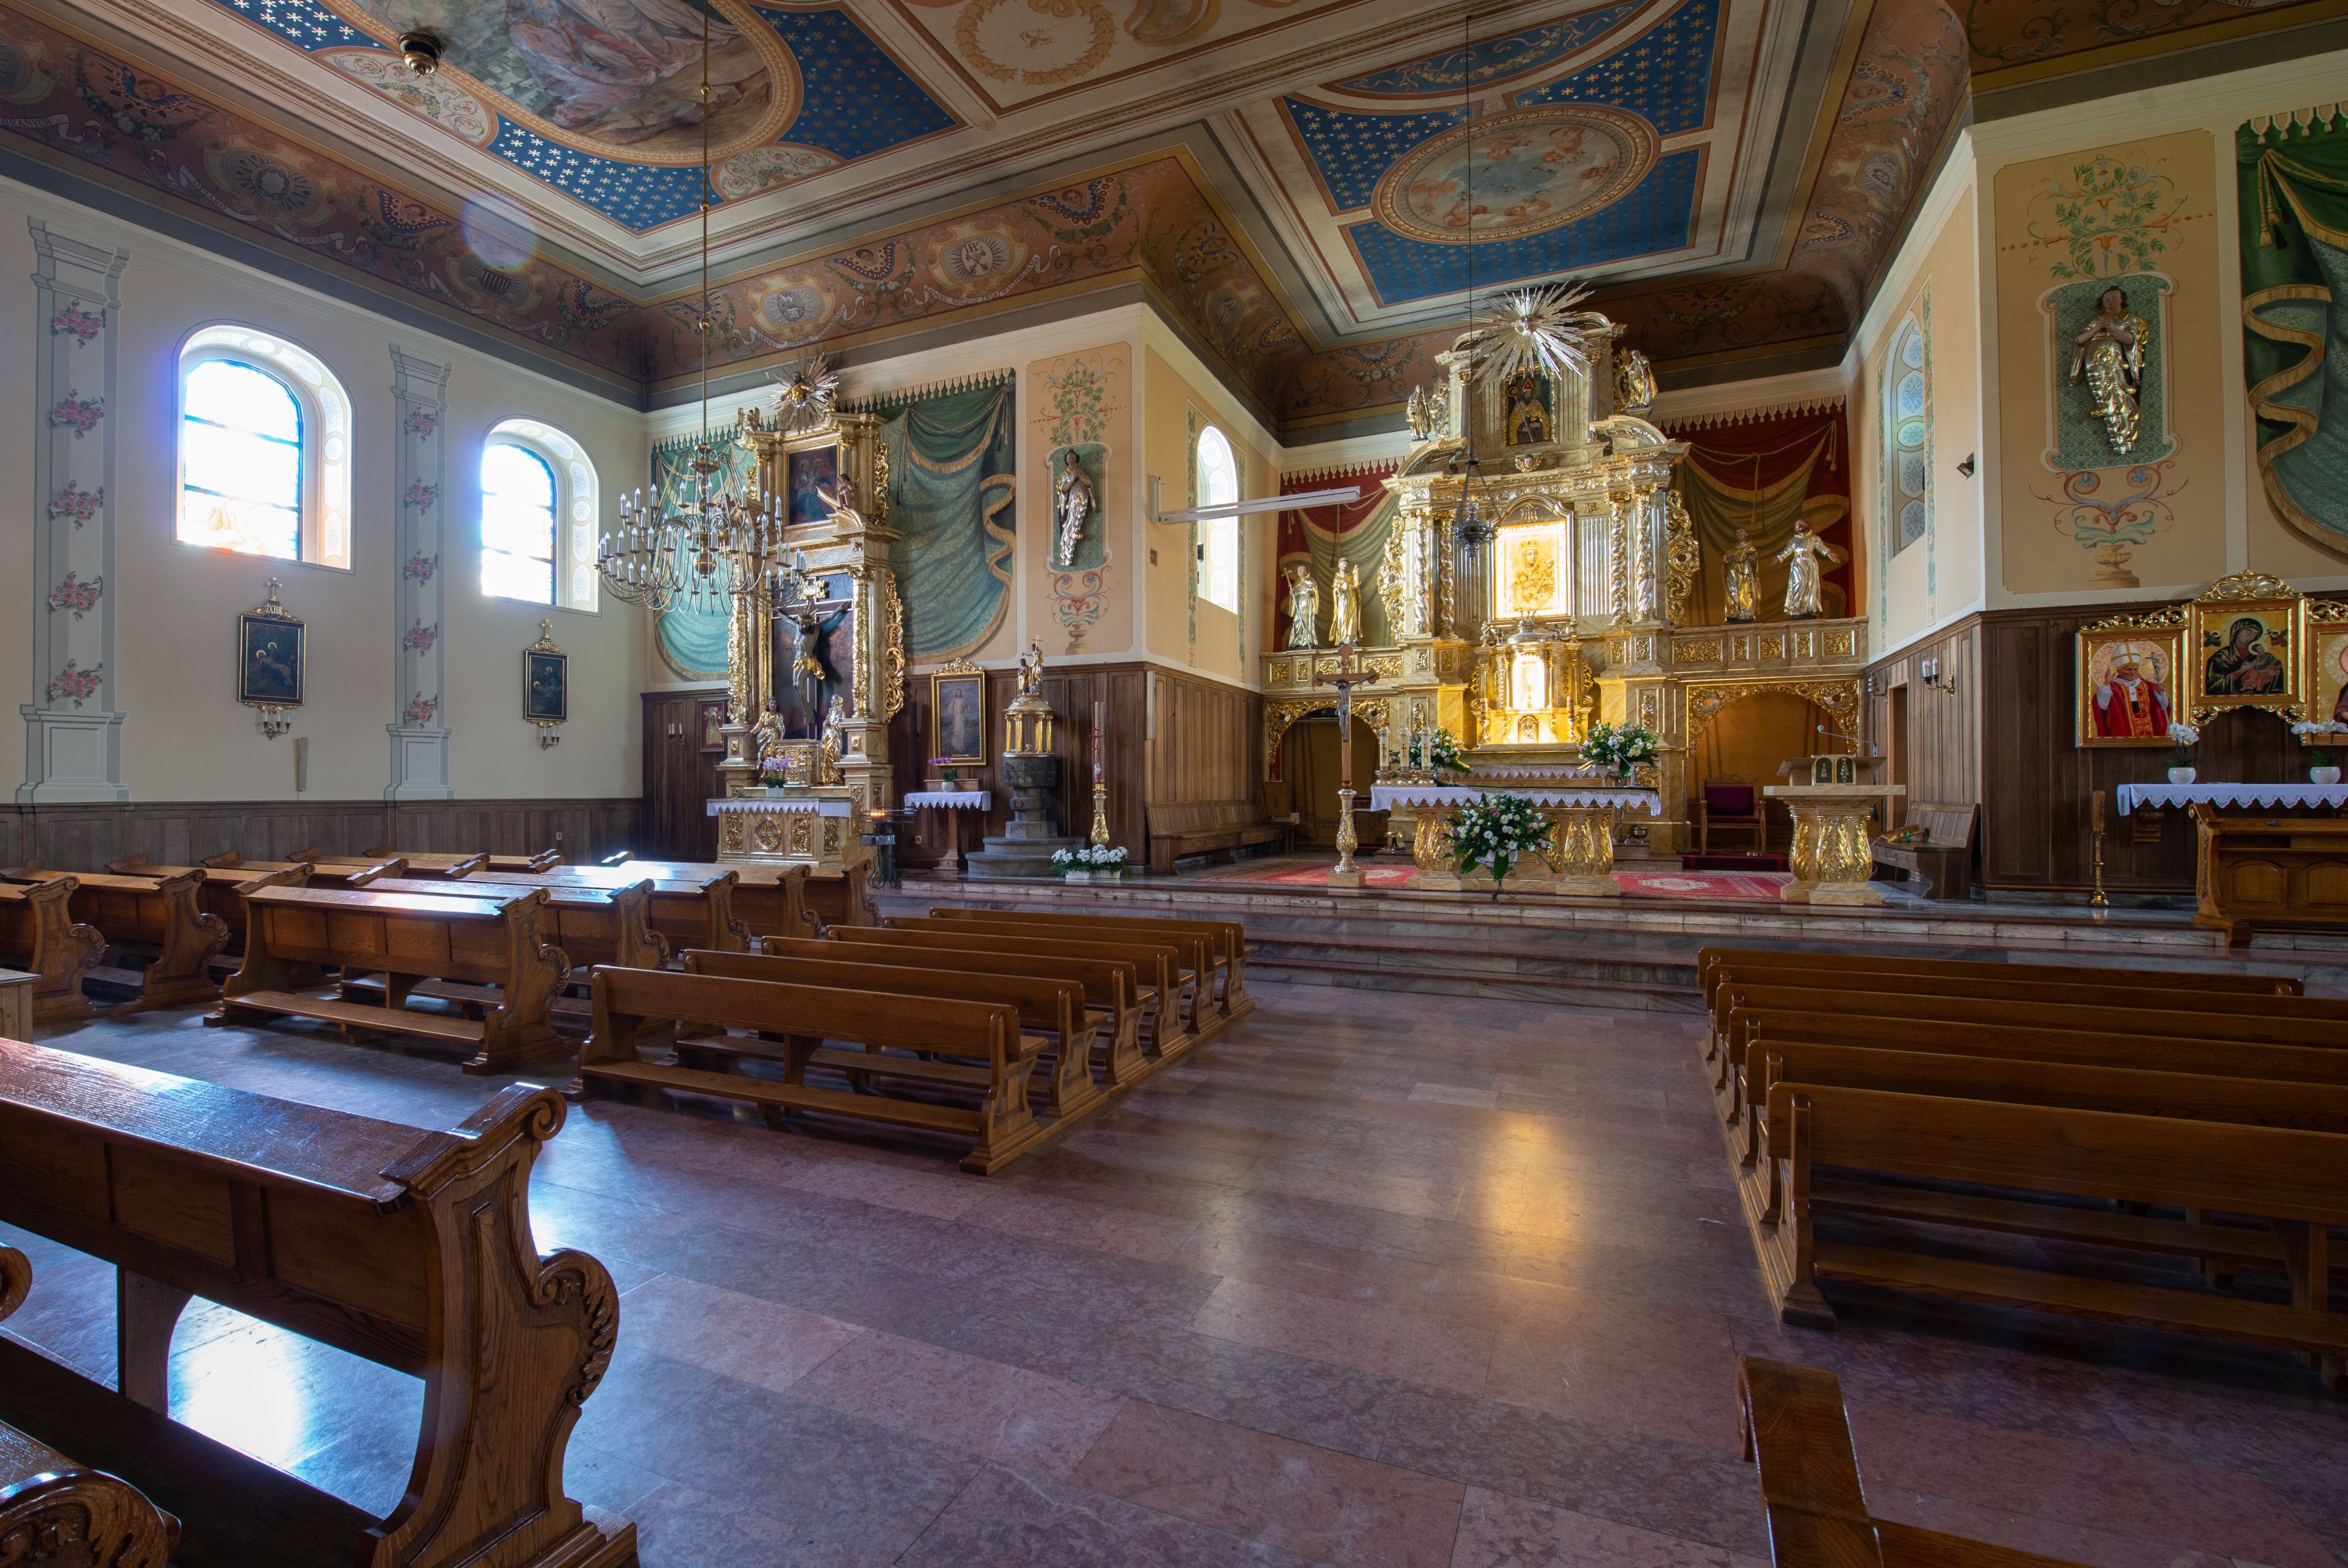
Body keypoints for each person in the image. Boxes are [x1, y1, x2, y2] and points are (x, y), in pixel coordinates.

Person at [2068, 284, 2148, 455]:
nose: (2110, 302)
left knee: (2119, 396)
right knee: (2102, 393)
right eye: (2107, 299)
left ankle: (2124, 438)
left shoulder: (2128, 318)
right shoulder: (2098, 320)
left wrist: (2112, 329)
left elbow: (2130, 340)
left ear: (2121, 300)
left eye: (2114, 298)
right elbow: (2080, 340)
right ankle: (2110, 420)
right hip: (2094, 364)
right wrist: (2097, 328)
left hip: (2116, 365)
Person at [2091, 642, 2170, 739]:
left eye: (2135, 669)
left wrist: (2161, 694)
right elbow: (2102, 706)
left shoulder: (2150, 686)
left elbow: (2163, 707)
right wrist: (2106, 684)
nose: (2133, 672)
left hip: (2149, 736)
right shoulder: (2112, 688)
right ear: (2119, 671)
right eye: (2128, 669)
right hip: (2124, 736)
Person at [1774, 520, 1843, 620]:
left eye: (1802, 522)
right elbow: (1786, 551)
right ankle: (1796, 609)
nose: (1800, 524)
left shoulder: (1814, 538)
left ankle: (1809, 608)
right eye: (1797, 524)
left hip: (1810, 562)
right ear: (1795, 529)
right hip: (1798, 563)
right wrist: (1778, 558)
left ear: (1808, 525)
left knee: (1810, 584)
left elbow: (1822, 547)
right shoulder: (1793, 540)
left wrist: (1829, 554)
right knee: (1799, 583)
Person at [2203, 615, 2286, 696]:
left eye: (2255, 633)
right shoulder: (2219, 658)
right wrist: (2240, 672)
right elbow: (2212, 688)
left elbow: (2277, 687)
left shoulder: (2263, 656)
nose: (2251, 635)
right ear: (2236, 631)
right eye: (2248, 631)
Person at [1053, 449, 1095, 567]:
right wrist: (1072, 480)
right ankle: (1067, 556)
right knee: (1070, 525)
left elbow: (1089, 483)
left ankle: (1075, 533)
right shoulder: (1063, 475)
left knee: (1078, 521)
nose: (1071, 459)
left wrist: (1080, 477)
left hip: (1082, 502)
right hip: (1071, 504)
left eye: (1073, 457)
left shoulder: (1080, 472)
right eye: (1069, 458)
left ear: (1076, 458)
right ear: (1066, 460)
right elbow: (1063, 490)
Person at [1721, 527, 1759, 623]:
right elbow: (1728, 560)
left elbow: (1752, 561)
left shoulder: (1750, 547)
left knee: (1745, 588)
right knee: (1732, 588)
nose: (1739, 534)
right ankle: (1734, 611)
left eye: (1741, 531)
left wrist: (1753, 557)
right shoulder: (1731, 549)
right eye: (1737, 532)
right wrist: (1727, 560)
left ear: (1746, 534)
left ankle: (1746, 612)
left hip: (1744, 569)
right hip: (1733, 569)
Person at [1282, 563, 1320, 649]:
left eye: (1301, 570)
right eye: (1298, 570)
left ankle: (1307, 641)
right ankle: (1297, 641)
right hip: (1299, 605)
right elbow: (1295, 596)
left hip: (1307, 604)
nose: (1299, 571)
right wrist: (1293, 593)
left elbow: (1315, 592)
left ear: (1306, 572)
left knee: (1307, 622)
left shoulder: (1311, 582)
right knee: (1297, 621)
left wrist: (1307, 590)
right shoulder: (1296, 583)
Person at [1327, 556, 1361, 646]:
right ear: (1339, 565)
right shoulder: (1337, 577)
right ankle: (1342, 637)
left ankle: (1352, 637)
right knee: (1342, 617)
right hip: (1342, 600)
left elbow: (1355, 586)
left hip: (1351, 599)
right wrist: (1338, 590)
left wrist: (1356, 585)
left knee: (1352, 617)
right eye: (1343, 564)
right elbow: (1335, 589)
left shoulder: (1351, 575)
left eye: (1347, 564)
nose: (1345, 566)